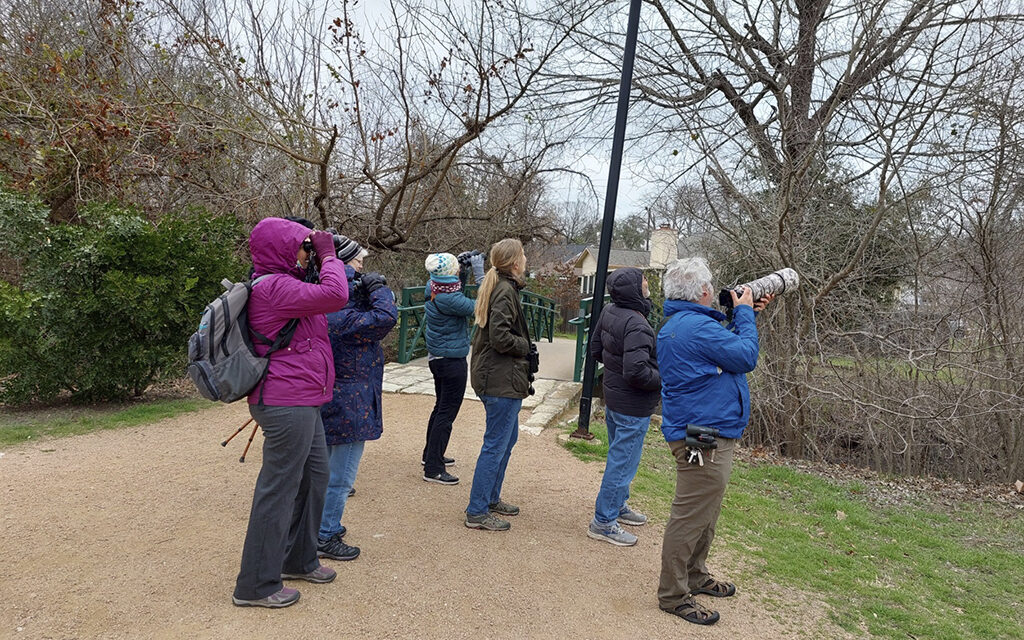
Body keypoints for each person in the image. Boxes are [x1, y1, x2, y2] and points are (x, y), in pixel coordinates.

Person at [232, 217, 349, 609]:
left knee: (316, 476)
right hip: (285, 402)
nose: (305, 253)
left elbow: (322, 298)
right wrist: (329, 253)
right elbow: (336, 294)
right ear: (282, 248)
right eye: (301, 246)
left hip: (302, 399)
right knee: (278, 488)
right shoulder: (275, 287)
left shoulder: (288, 283)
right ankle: (256, 585)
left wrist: (318, 257)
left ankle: (297, 559)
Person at [655, 257, 773, 626]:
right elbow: (745, 356)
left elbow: (729, 350)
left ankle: (694, 573)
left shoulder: (688, 325)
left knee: (705, 509)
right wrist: (745, 316)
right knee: (690, 514)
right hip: (701, 434)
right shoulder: (694, 328)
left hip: (705, 430)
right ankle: (674, 595)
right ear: (703, 291)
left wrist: (744, 314)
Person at [317, 237, 398, 561]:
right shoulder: (340, 310)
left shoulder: (326, 301)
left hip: (335, 397)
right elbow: (386, 317)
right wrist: (377, 290)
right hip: (349, 402)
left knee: (324, 471)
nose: (363, 269)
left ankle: (322, 526)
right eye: (358, 263)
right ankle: (325, 534)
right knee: (341, 476)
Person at [586, 267, 661, 547]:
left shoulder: (609, 311)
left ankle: (618, 506)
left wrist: (615, 370)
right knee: (623, 463)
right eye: (644, 281)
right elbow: (637, 372)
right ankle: (604, 521)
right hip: (632, 404)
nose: (647, 285)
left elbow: (596, 349)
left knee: (621, 458)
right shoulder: (637, 323)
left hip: (614, 398)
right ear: (634, 288)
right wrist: (662, 380)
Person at [464, 238, 533, 532]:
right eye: (523, 255)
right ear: (515, 262)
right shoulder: (505, 290)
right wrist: (526, 346)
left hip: (499, 377)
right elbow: (501, 338)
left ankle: (490, 498)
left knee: (507, 439)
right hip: (499, 380)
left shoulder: (502, 286)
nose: (526, 259)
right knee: (494, 445)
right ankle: (477, 511)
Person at [421, 251, 485, 485]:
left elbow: (455, 289)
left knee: (440, 408)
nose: (458, 270)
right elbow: (481, 307)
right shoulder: (448, 299)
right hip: (450, 360)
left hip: (439, 358)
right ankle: (434, 469)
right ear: (449, 273)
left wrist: (464, 269)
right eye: (456, 268)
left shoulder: (435, 287)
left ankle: (431, 455)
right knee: (447, 412)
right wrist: (480, 275)